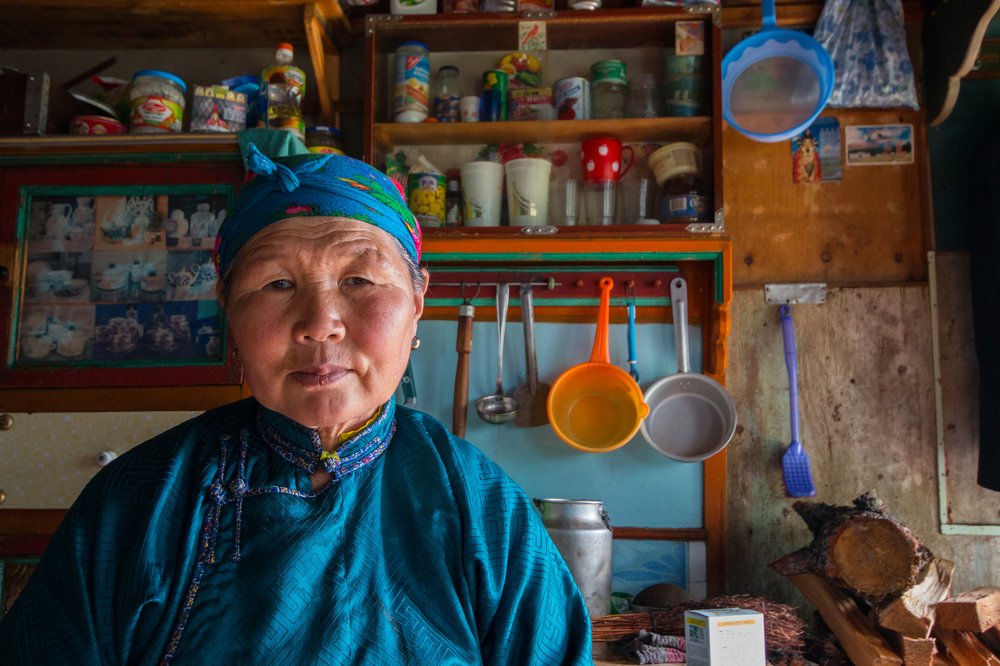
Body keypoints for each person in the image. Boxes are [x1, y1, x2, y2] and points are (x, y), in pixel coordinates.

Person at [0, 145, 592, 664]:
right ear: (229, 310)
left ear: (417, 302)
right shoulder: (136, 501)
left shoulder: (482, 507)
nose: (320, 323)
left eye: (359, 281)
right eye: (277, 284)